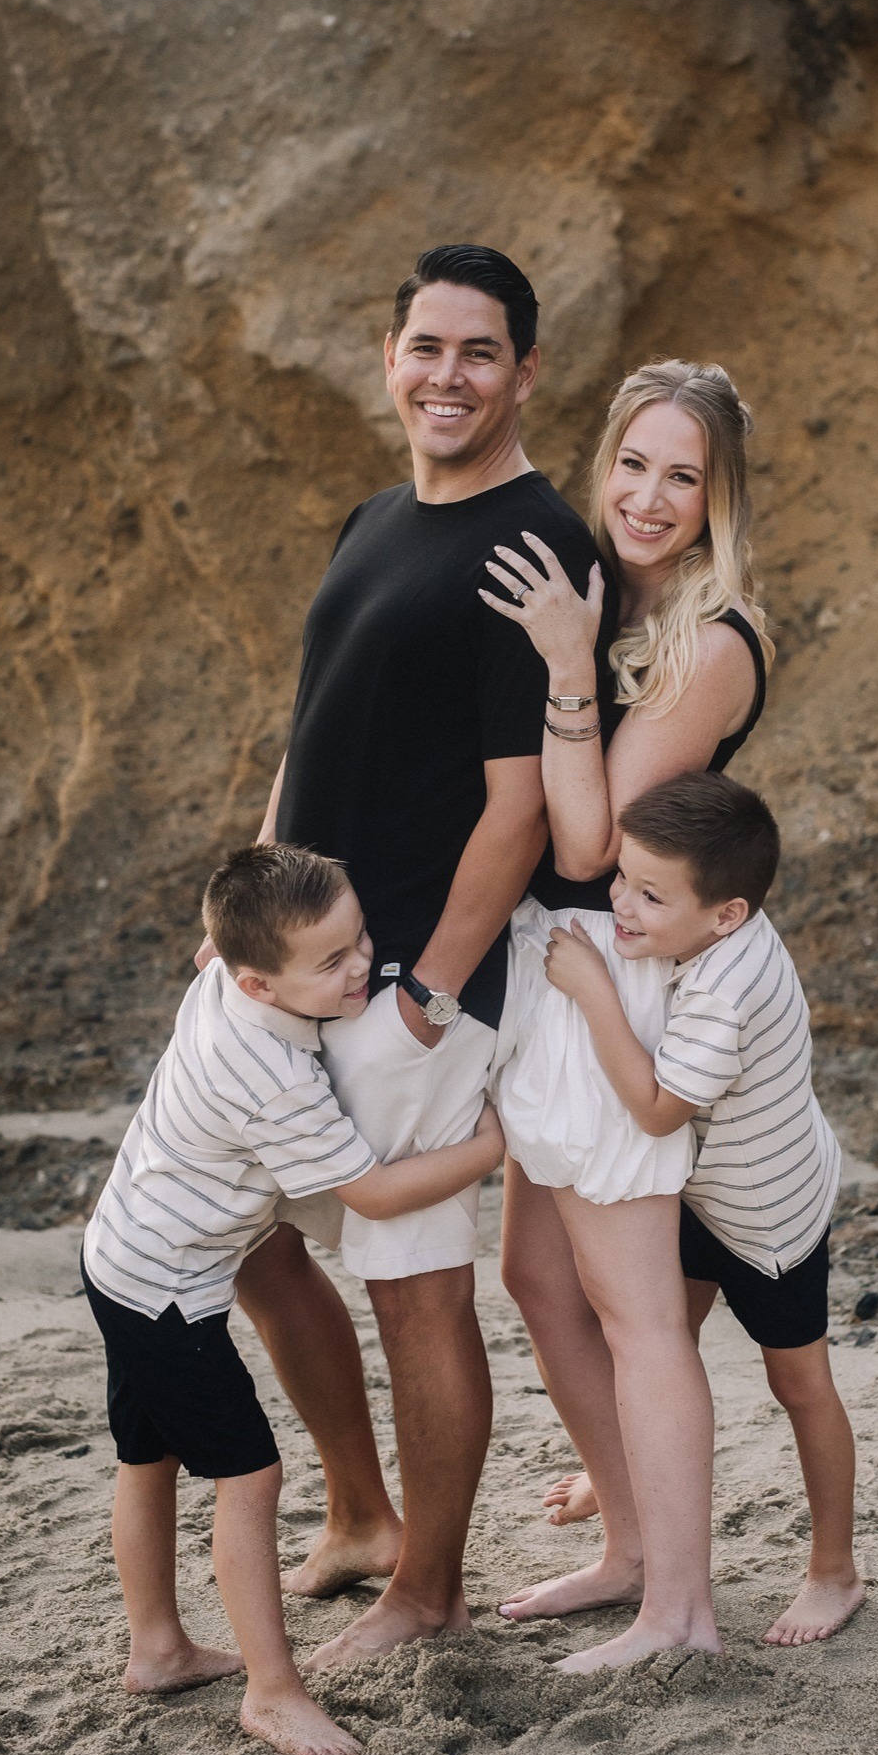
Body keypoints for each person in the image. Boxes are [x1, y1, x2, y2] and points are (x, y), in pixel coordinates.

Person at [203, 245, 615, 1667]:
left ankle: (428, 1590)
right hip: (289, 967)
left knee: (415, 1286)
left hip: (412, 987)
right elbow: (310, 726)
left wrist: (430, 991)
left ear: (525, 372)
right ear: (389, 359)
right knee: (251, 1242)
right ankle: (362, 1515)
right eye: (425, 347)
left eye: (478, 351)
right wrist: (241, 917)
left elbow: (519, 810)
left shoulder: (536, 548)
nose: (448, 375)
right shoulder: (374, 518)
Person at [82, 845, 506, 1755]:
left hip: (119, 1255)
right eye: (330, 962)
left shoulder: (220, 986)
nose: (360, 969)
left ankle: (158, 1649)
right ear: (257, 983)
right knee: (250, 1479)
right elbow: (373, 1194)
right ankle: (273, 1694)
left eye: (360, 941)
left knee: (147, 1455)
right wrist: (487, 1149)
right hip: (169, 1291)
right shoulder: (267, 1074)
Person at [479, 359, 774, 1671]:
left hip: (617, 962)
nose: (649, 497)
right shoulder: (601, 595)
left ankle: (681, 1612)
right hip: (547, 962)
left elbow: (592, 842)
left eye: (682, 476)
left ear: (719, 499)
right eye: (633, 465)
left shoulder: (711, 643)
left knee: (639, 1313)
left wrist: (560, 667)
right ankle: (631, 1549)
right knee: (538, 1277)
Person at [539, 773, 863, 1647]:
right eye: (622, 878)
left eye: (650, 896)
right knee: (653, 1348)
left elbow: (656, 1108)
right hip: (703, 1190)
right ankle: (624, 1491)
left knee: (799, 1385)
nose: (621, 904)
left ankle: (834, 1571)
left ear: (726, 915)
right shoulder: (720, 929)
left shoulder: (725, 988)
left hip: (767, 1218)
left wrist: (593, 990)